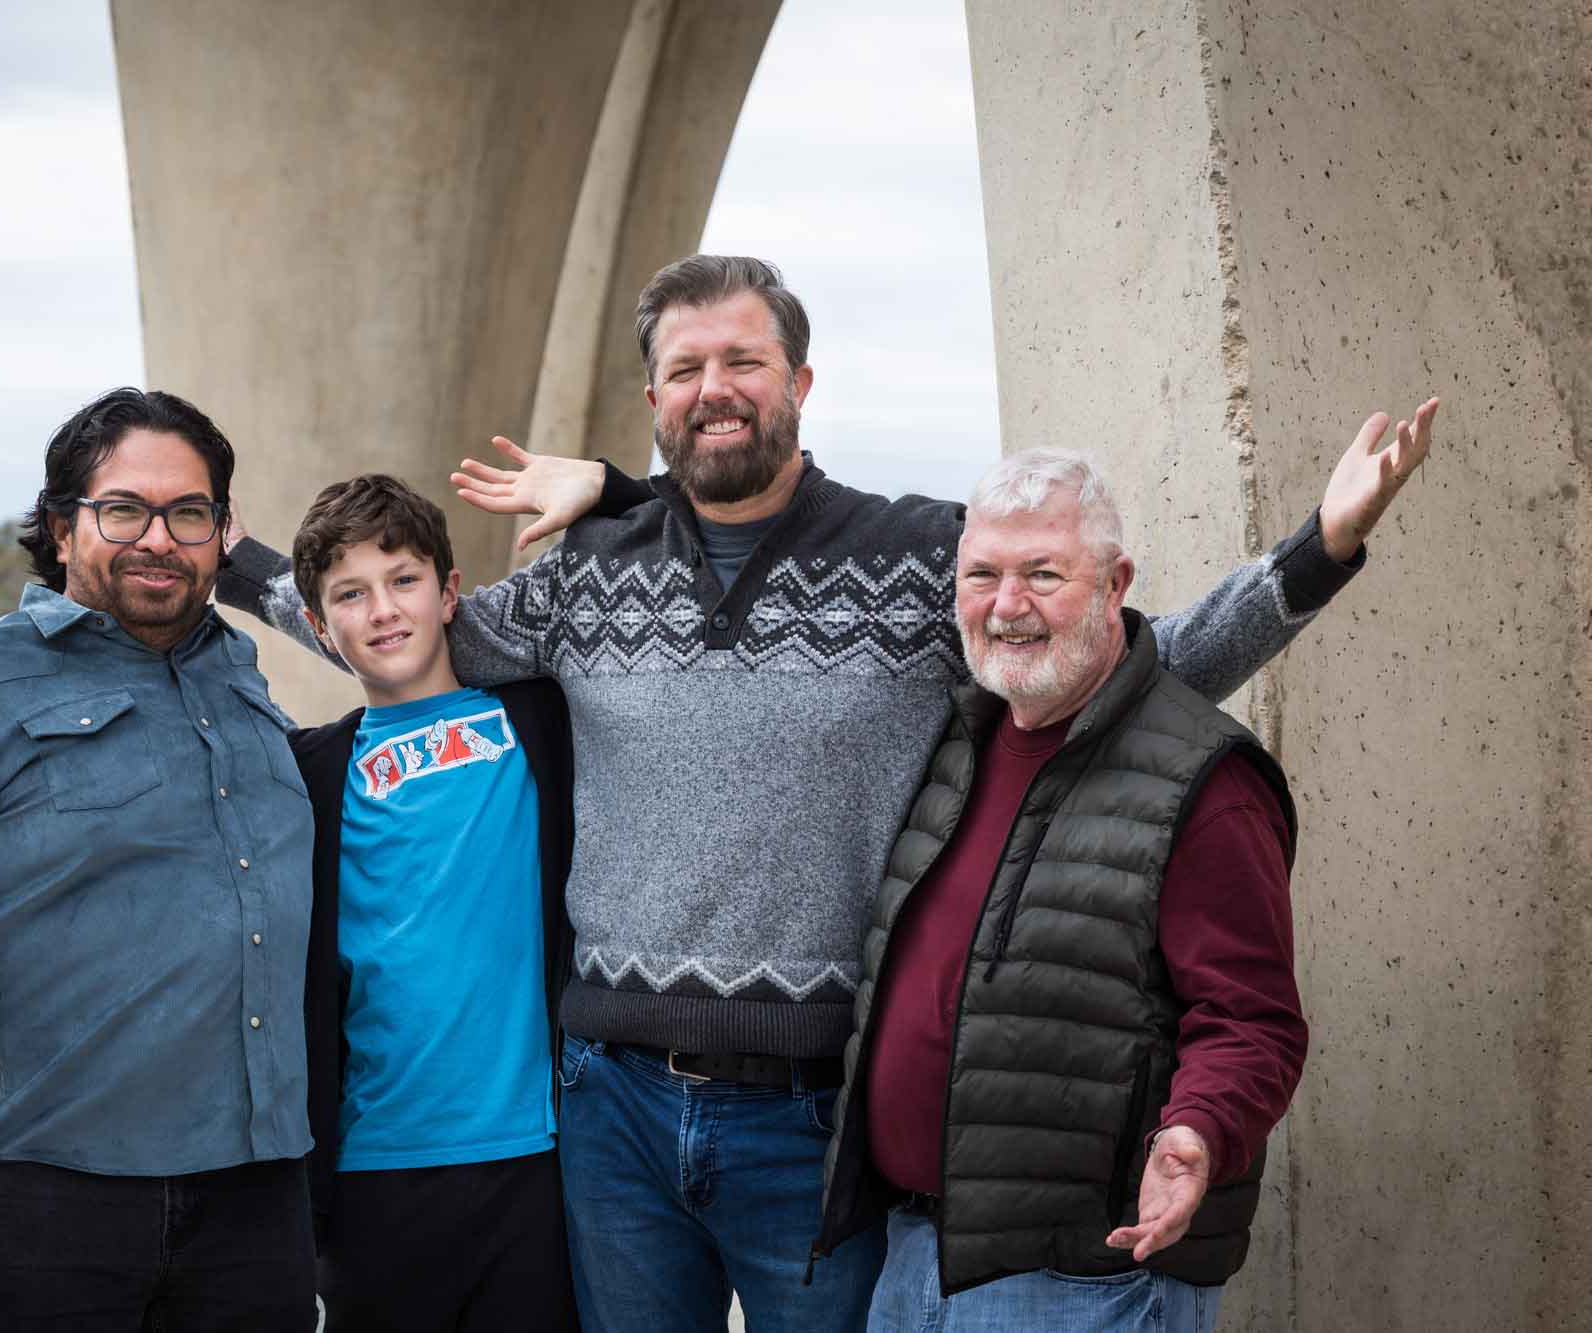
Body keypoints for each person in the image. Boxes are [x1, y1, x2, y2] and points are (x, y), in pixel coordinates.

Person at [216, 255, 1433, 1333]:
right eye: (685, 367)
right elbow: (391, 639)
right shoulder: (579, 577)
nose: (715, 386)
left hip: (812, 1116)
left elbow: (1124, 651)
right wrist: (221, 557)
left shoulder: (918, 556)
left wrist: (1313, 551)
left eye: (744, 357)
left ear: (799, 382)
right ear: (653, 404)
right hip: (611, 1114)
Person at [0, 388, 318, 1332]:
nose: (159, 537)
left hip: (255, 1192)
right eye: (123, 509)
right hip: (48, 1194)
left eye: (188, 513)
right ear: (61, 528)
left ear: (219, 537)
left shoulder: (239, 677)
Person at [822, 448, 1309, 1332]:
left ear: (1116, 581)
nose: (1008, 606)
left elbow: (1253, 1020)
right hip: (914, 1257)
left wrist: (1197, 1132)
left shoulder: (1208, 780)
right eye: (984, 575)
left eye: (1043, 574)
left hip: (1091, 1283)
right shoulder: (959, 743)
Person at [282, 475, 579, 1331]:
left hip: (534, 1159)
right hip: (376, 1169)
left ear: (450, 593)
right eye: (350, 594)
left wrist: (607, 487)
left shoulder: (540, 721)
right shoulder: (310, 772)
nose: (382, 609)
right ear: (319, 626)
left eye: (403, 579)